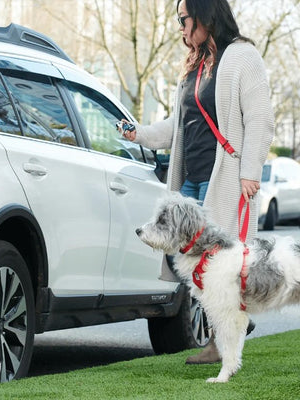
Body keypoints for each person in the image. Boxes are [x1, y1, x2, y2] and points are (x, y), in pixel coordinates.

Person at [118, 0, 274, 364]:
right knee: (186, 261)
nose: (181, 27)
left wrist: (251, 169)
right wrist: (138, 133)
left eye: (184, 19)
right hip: (190, 180)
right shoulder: (195, 66)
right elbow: (177, 125)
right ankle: (228, 327)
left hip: (225, 178)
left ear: (205, 15)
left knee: (221, 263)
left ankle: (222, 340)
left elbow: (260, 118)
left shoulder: (242, 57)